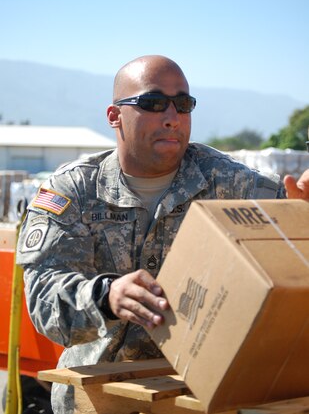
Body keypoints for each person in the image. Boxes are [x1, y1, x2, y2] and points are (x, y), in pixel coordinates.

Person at [16, 55, 309, 414]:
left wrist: (301, 219)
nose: (172, 117)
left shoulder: (235, 183)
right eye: (153, 103)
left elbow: (289, 260)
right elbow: (45, 301)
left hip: (198, 397)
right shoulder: (74, 190)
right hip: (99, 397)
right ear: (114, 116)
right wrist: (107, 296)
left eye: (183, 104)